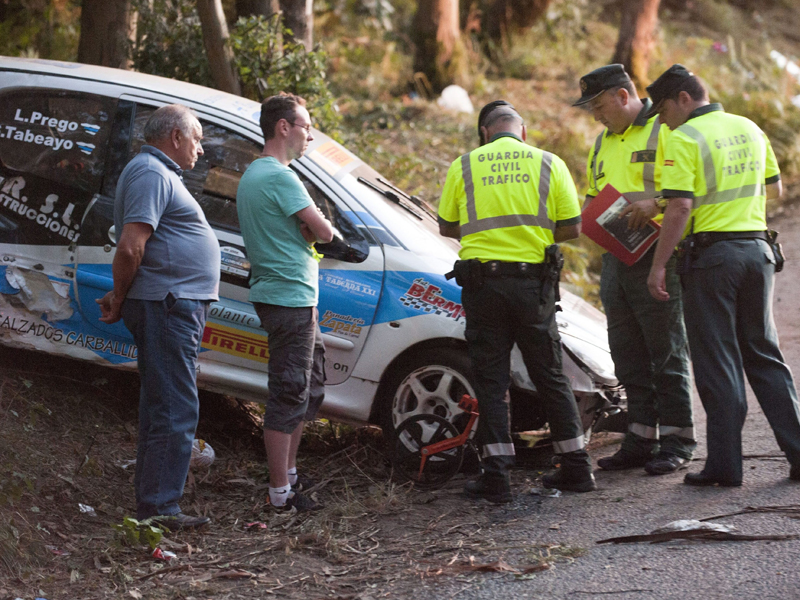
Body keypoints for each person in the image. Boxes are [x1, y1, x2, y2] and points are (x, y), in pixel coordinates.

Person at [646, 64, 800, 486]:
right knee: (764, 354)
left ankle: (725, 465)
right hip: (758, 252)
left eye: (663, 111)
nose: (662, 122)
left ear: (683, 99)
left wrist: (658, 266)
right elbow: (775, 189)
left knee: (717, 361)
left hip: (713, 259)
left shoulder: (686, 138)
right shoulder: (749, 127)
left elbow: (680, 206)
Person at [438, 100, 596, 503]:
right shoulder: (550, 163)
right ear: (522, 132)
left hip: (484, 286)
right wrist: (529, 235)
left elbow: (447, 225)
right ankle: (577, 467)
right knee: (550, 374)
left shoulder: (464, 165)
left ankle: (497, 477)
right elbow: (572, 227)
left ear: (485, 133)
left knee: (491, 380)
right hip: (533, 287)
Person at [97, 104, 220, 529]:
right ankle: (160, 510)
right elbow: (131, 246)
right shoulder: (152, 172)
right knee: (174, 409)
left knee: (162, 406)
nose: (200, 149)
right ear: (176, 136)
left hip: (168, 303)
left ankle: (154, 505)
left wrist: (122, 293)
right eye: (197, 138)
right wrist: (120, 295)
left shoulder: (157, 173)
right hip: (168, 305)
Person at [573, 65, 695, 475]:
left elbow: (689, 190)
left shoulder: (665, 128)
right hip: (616, 258)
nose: (595, 116)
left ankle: (678, 441)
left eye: (598, 106)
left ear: (622, 96)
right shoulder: (602, 143)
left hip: (659, 254)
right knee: (626, 352)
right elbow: (594, 195)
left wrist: (655, 203)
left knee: (666, 351)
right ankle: (641, 439)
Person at [236, 94, 333, 511]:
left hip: (290, 296)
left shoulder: (255, 174)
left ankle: (290, 475)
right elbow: (325, 232)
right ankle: (280, 494)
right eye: (306, 127)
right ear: (283, 127)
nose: (310, 135)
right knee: (289, 390)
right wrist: (313, 227)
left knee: (307, 386)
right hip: (287, 297)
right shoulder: (279, 177)